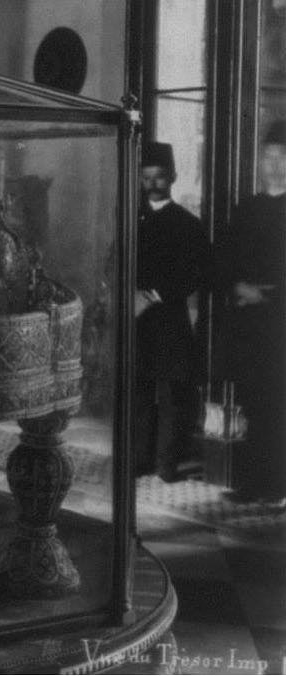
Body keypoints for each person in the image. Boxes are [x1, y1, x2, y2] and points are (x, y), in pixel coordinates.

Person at [217, 120, 286, 508]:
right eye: (269, 157)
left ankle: (277, 486)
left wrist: (268, 296)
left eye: (283, 158)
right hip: (248, 325)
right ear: (260, 162)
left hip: (281, 323)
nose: (275, 166)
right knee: (250, 402)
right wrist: (237, 286)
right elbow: (224, 260)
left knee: (279, 404)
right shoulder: (247, 208)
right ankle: (249, 483)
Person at [134, 141, 211, 483]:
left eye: (159, 177)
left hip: (168, 320)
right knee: (137, 390)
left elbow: (197, 273)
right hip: (135, 320)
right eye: (146, 177)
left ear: (173, 178)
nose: (152, 184)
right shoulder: (130, 220)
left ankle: (166, 465)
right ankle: (138, 460)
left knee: (170, 395)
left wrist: (154, 295)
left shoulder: (188, 224)